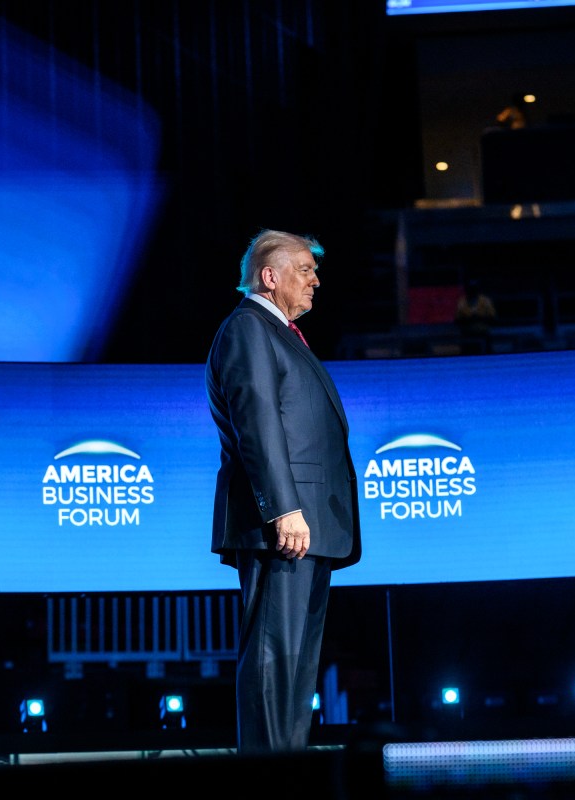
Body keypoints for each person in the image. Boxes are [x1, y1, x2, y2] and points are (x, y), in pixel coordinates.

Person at [204, 228, 361, 753]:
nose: (315, 280)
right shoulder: (248, 328)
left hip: (306, 527)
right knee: (275, 663)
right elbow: (258, 424)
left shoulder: (280, 333)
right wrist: (284, 509)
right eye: (304, 269)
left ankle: (290, 772)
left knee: (296, 669)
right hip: (284, 526)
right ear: (270, 277)